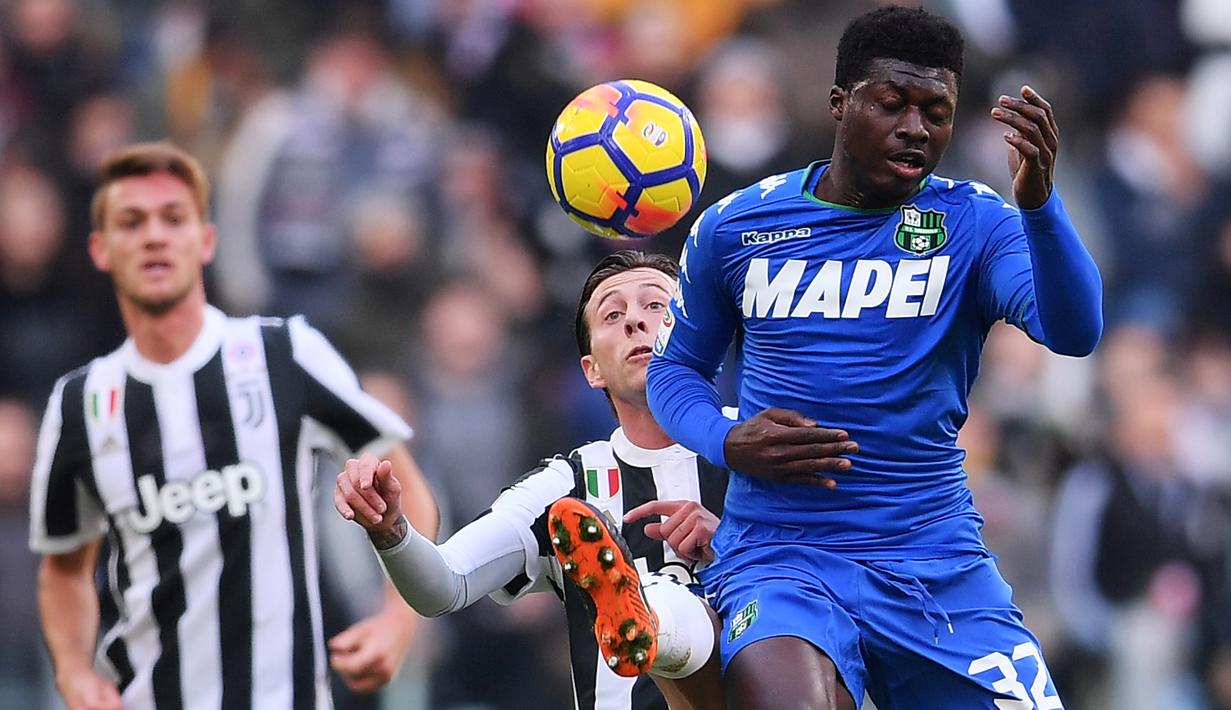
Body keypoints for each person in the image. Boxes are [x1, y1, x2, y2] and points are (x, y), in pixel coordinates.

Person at [646, 6, 1103, 709]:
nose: (915, 128)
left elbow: (1072, 330)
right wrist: (728, 441)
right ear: (839, 103)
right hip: (779, 558)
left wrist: (1039, 207)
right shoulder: (737, 226)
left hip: (932, 560)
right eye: (891, 104)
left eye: (936, 111)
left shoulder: (975, 224)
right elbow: (674, 371)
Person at [28, 141, 440, 710]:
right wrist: (74, 673)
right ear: (100, 249)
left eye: (173, 218)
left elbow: (409, 489)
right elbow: (64, 569)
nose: (154, 235)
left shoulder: (284, 352)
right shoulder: (80, 403)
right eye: (132, 221)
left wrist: (399, 621)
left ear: (206, 240)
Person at [337, 250, 806, 710]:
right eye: (612, 314)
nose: (634, 322)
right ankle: (648, 616)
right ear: (592, 370)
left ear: (701, 336)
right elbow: (445, 585)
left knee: (693, 608)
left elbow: (852, 565)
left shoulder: (766, 445)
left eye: (657, 305)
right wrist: (390, 530)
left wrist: (732, 543)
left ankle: (652, 617)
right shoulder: (566, 488)